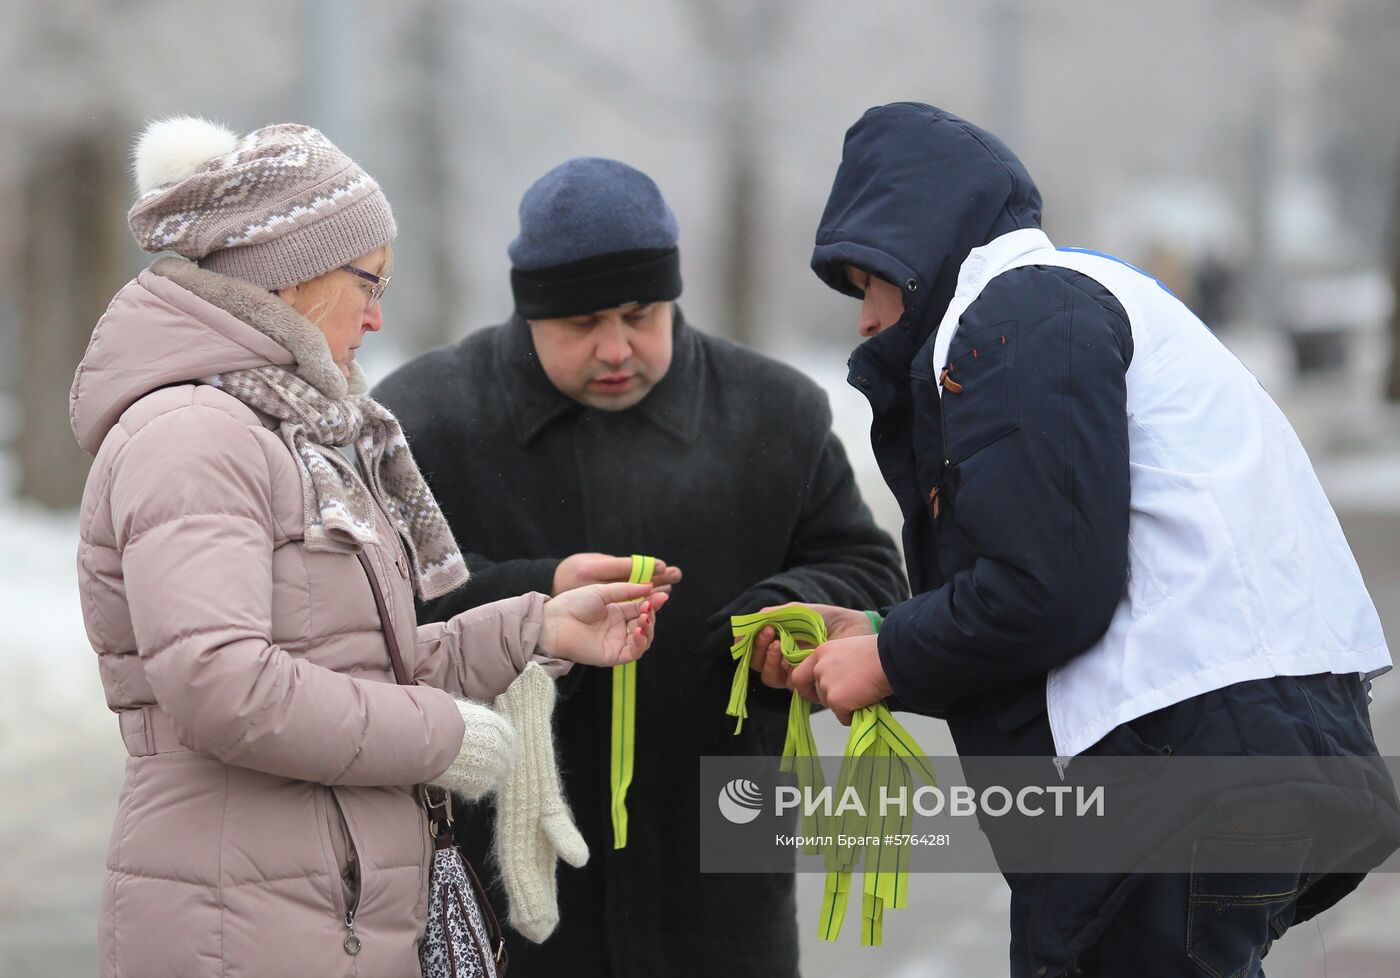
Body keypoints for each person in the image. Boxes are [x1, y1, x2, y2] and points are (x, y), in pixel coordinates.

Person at [779, 102, 1400, 977]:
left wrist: (888, 658)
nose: (865, 320)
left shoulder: (1015, 314)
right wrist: (887, 638)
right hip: (1263, 742)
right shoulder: (1086, 296)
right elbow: (1084, 585)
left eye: (867, 281)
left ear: (914, 254)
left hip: (1176, 772)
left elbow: (1051, 589)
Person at [71, 118, 665, 978]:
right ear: (293, 275)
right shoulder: (198, 436)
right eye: (368, 281)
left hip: (306, 906)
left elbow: (348, 665)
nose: (379, 316)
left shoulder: (280, 431)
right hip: (242, 922)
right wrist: (441, 735)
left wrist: (532, 630)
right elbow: (222, 684)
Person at [372, 156, 908, 977]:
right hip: (501, 872)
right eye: (582, 322)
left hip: (727, 866)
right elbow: (376, 604)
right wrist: (540, 598)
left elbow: (865, 566)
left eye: (640, 314)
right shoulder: (427, 415)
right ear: (529, 312)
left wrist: (791, 609)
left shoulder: (775, 410)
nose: (616, 347)